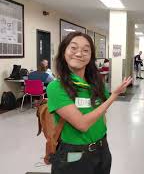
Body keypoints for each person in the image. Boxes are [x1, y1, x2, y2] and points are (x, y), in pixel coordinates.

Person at [46, 31, 132, 174]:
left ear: (91, 56)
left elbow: (101, 112)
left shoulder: (95, 83)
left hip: (102, 149)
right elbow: (82, 124)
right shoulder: (56, 87)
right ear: (63, 52)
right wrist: (114, 95)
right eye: (73, 48)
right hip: (75, 154)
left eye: (86, 50)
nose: (79, 53)